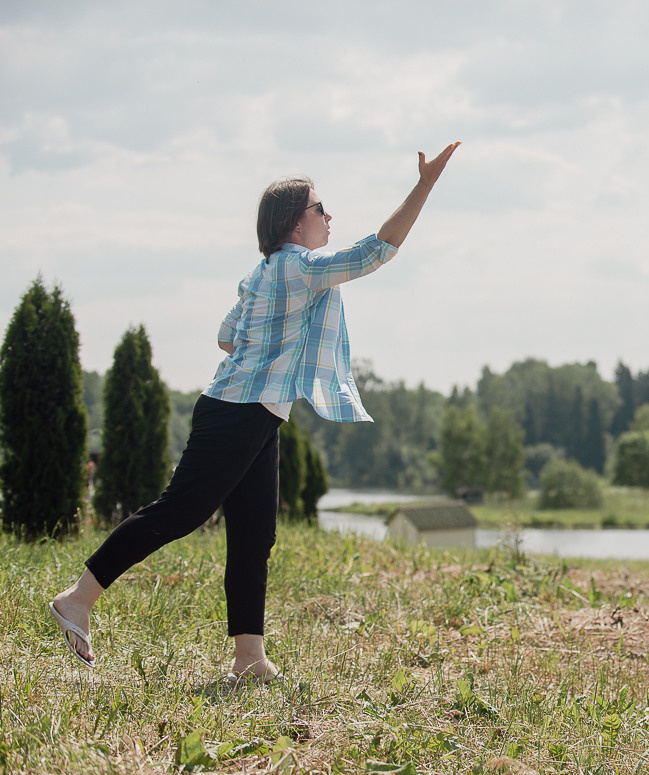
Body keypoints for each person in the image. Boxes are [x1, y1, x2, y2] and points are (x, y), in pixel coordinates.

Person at [49, 142, 461, 682]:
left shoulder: (265, 272)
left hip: (255, 410)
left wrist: (266, 348)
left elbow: (226, 336)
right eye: (320, 208)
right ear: (294, 222)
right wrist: (425, 185)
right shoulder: (296, 268)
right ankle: (77, 599)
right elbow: (374, 252)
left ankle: (250, 659)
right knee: (180, 512)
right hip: (237, 412)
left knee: (253, 535)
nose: (329, 216)